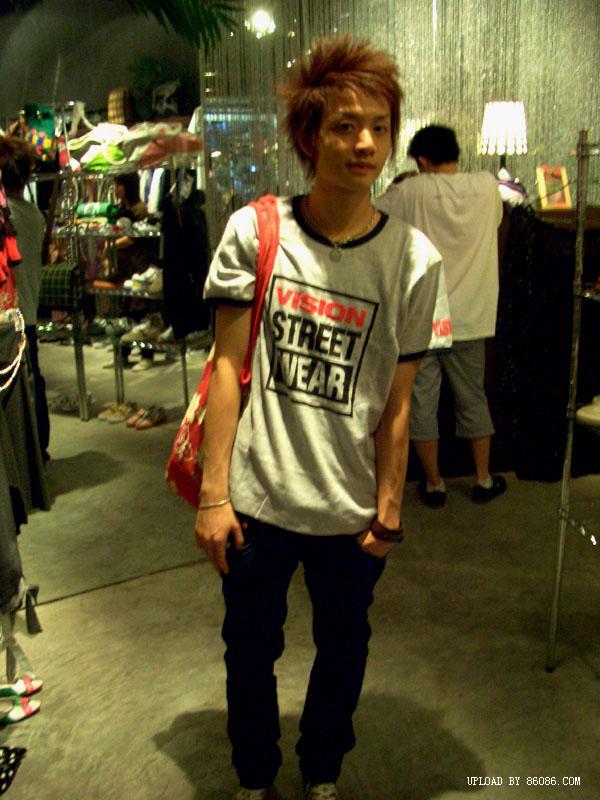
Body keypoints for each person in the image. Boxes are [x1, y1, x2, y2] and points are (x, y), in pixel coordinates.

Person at [195, 37, 451, 800]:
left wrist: (390, 509)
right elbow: (226, 372)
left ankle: (323, 772)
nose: (365, 142)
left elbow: (399, 401)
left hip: (350, 510)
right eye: (344, 126)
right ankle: (253, 777)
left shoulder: (414, 260)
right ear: (310, 137)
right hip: (258, 502)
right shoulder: (256, 231)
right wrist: (213, 495)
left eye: (379, 126)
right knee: (249, 651)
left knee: (344, 651)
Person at [377, 124, 505, 507]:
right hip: (471, 316)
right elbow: (499, 221)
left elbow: (372, 214)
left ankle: (434, 485)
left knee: (421, 403)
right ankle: (483, 479)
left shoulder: (411, 190)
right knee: (473, 398)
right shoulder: (488, 186)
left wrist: (400, 183)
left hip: (424, 318)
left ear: (422, 160)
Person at [1, 136, 50, 462]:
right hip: (28, 311)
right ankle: (40, 450)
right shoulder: (34, 215)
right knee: (32, 379)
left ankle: (25, 457)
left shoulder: (8, 218)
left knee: (16, 387)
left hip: (9, 315)